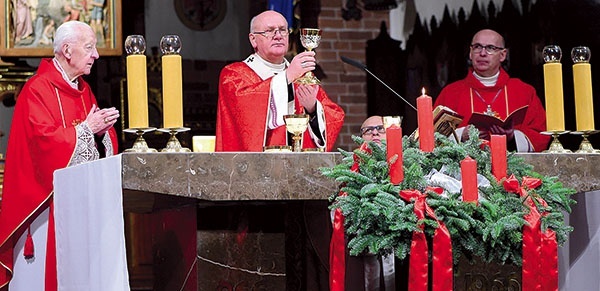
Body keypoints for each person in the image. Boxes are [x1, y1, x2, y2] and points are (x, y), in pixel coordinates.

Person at [0, 21, 119, 290]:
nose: (96, 55)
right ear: (67, 50)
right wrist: (87, 129)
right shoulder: (37, 90)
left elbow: (96, 138)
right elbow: (44, 146)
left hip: (78, 207)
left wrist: (101, 133)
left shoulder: (83, 90)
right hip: (42, 209)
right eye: (89, 47)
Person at [215, 10, 345, 152]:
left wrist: (313, 108)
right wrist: (288, 76)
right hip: (256, 167)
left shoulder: (302, 76)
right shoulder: (234, 74)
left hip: (299, 165)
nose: (278, 36)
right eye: (269, 31)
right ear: (253, 39)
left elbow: (335, 115)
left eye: (283, 30)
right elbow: (245, 116)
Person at [434, 29, 550, 152]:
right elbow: (432, 137)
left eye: (490, 48)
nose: (482, 53)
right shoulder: (451, 93)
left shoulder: (524, 91)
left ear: (503, 55)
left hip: (513, 169)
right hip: (462, 169)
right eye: (477, 47)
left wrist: (512, 136)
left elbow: (539, 134)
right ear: (470, 52)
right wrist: (461, 135)